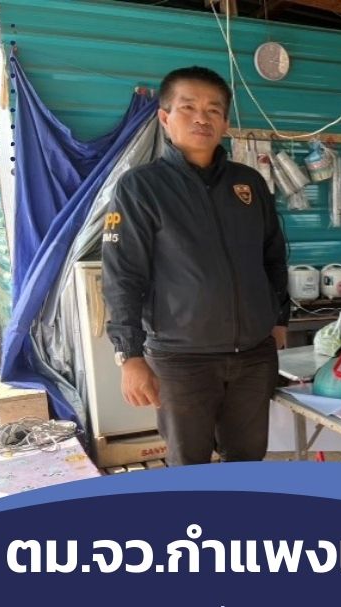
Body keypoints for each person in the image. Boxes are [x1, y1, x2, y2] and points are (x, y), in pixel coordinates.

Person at [102, 65, 288, 466]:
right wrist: (129, 355)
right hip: (181, 359)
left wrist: (278, 320)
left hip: (253, 356)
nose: (202, 118)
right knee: (189, 464)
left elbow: (273, 255)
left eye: (213, 110)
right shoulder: (141, 187)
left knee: (248, 460)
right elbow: (122, 275)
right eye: (188, 107)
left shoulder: (249, 183)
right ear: (165, 117)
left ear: (225, 123)